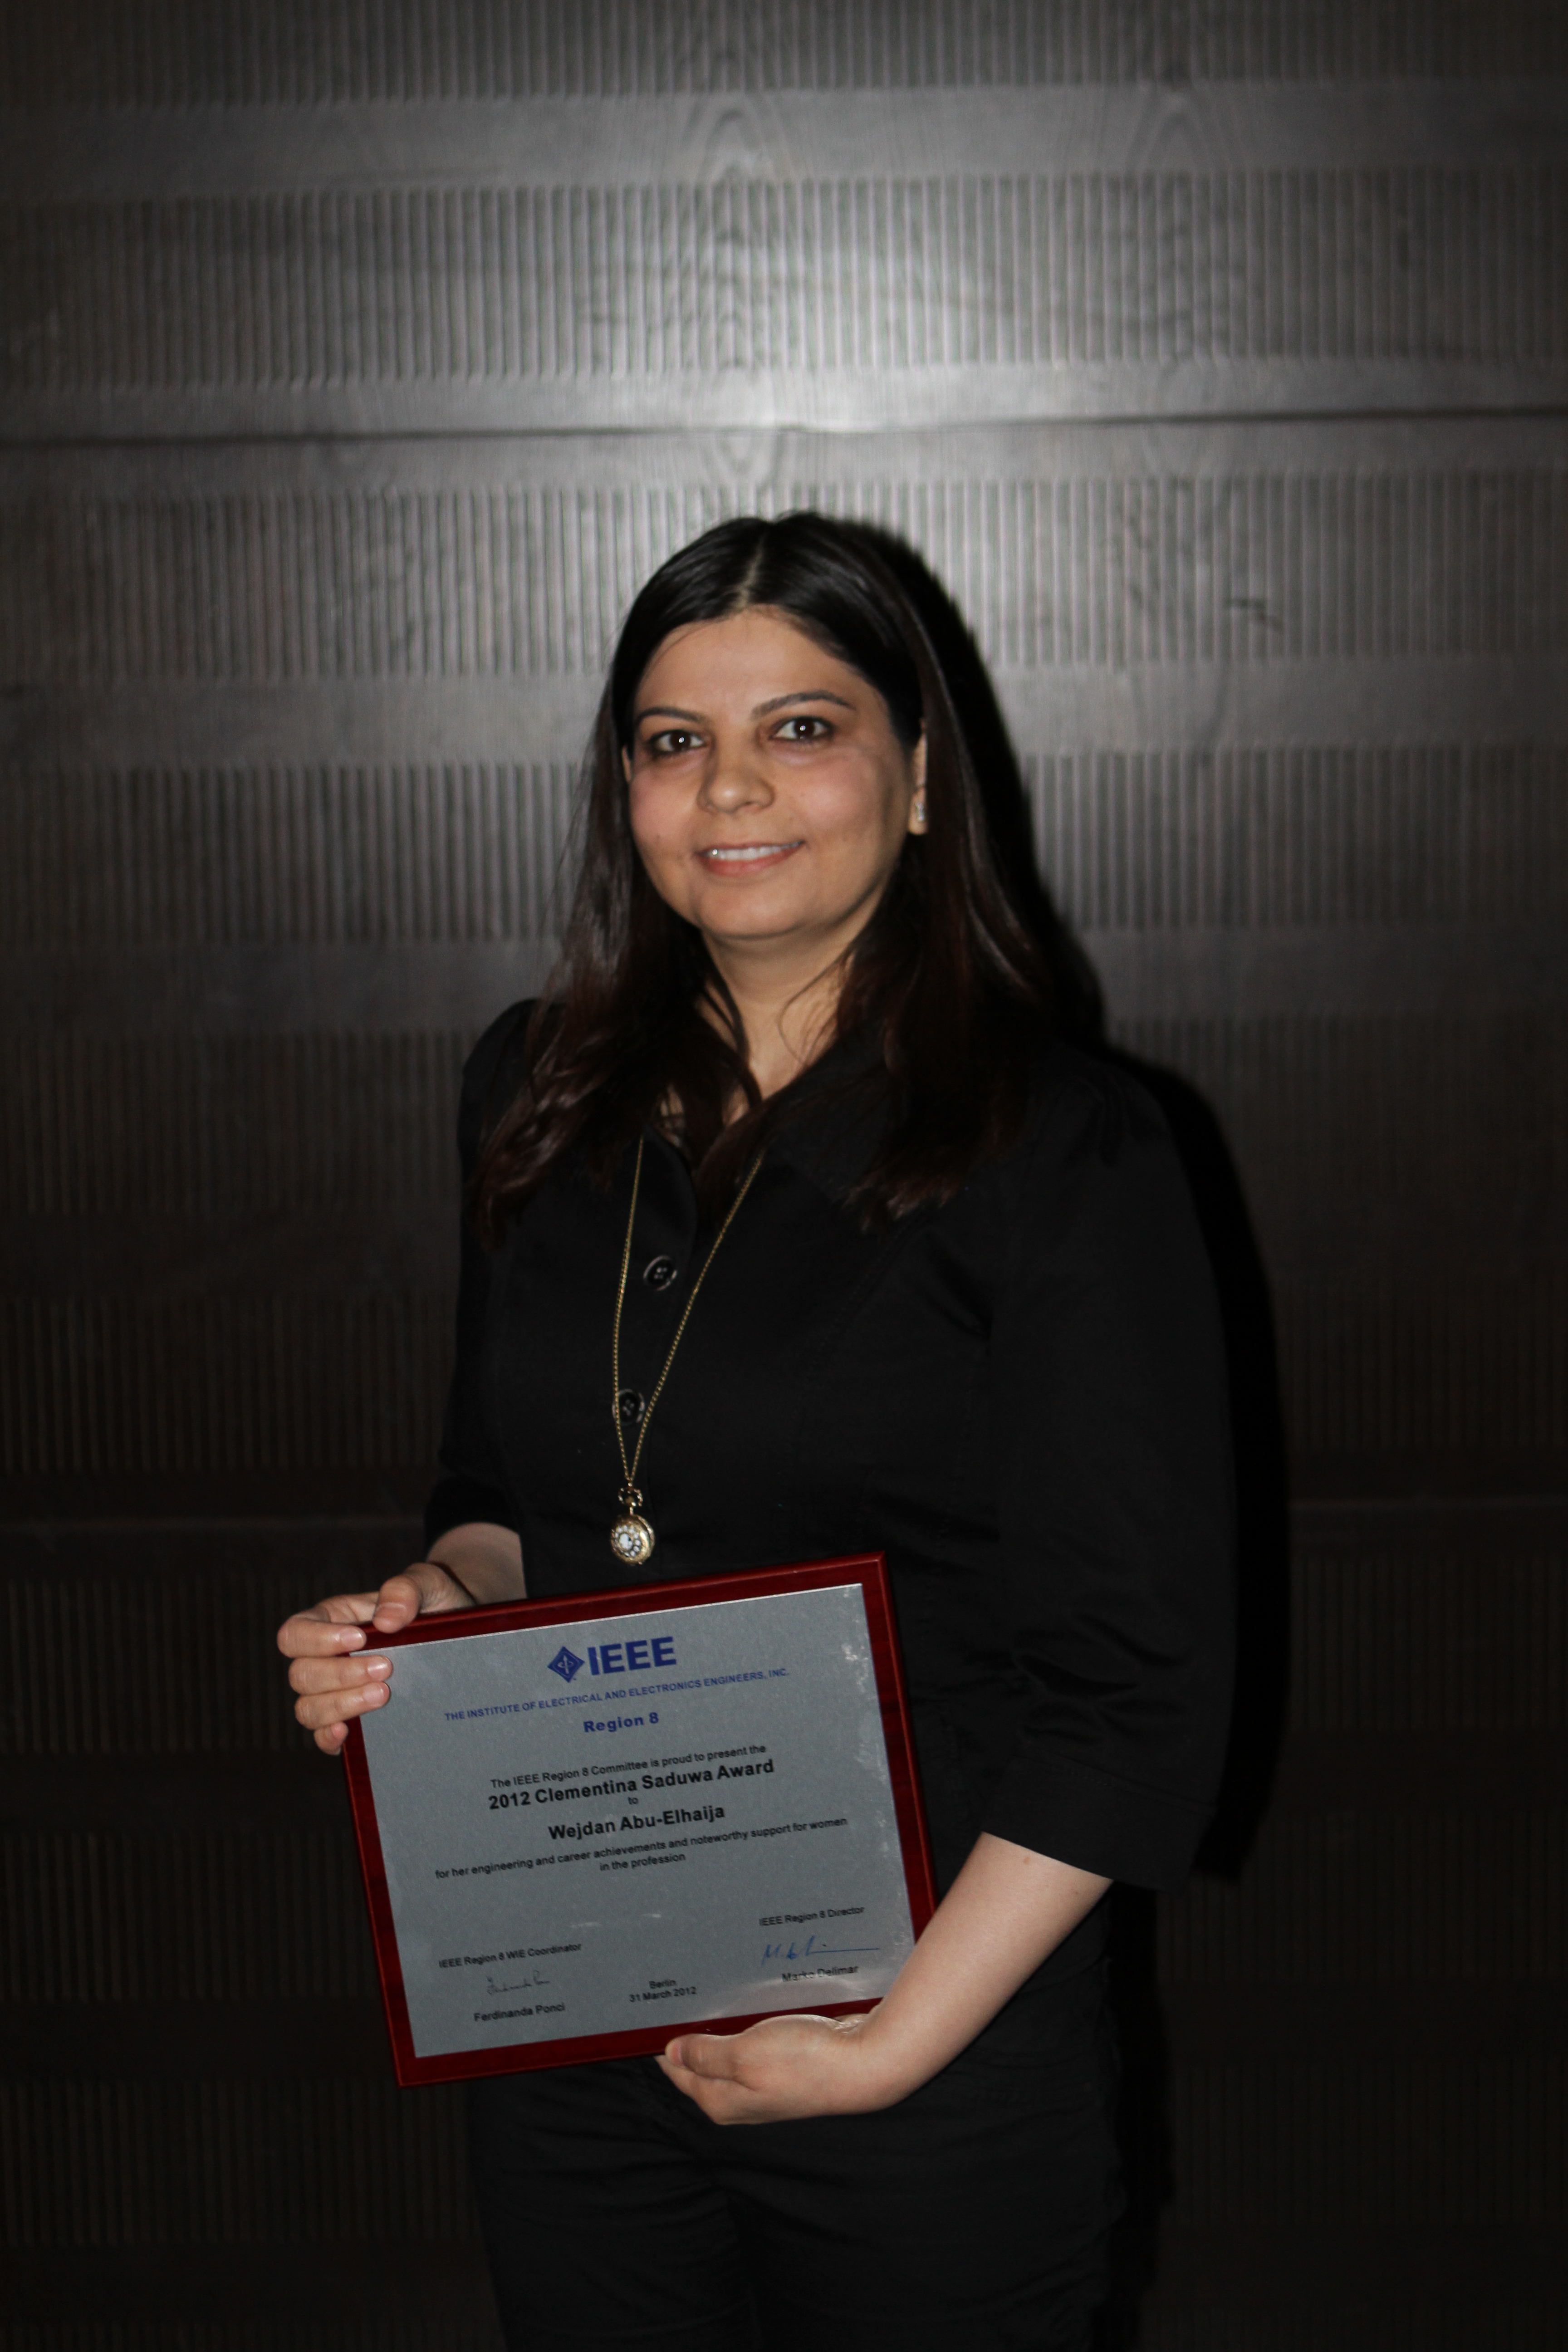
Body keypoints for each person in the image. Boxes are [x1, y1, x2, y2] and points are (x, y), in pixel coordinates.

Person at [277, 512, 1234, 2351]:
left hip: (934, 2043)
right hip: (578, 2033)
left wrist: (890, 2047)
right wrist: (432, 1612)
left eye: (802, 728)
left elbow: (1137, 1690)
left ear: (921, 776)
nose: (730, 787)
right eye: (673, 740)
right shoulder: (534, 1089)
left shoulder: (1064, 1149)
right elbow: (500, 1499)